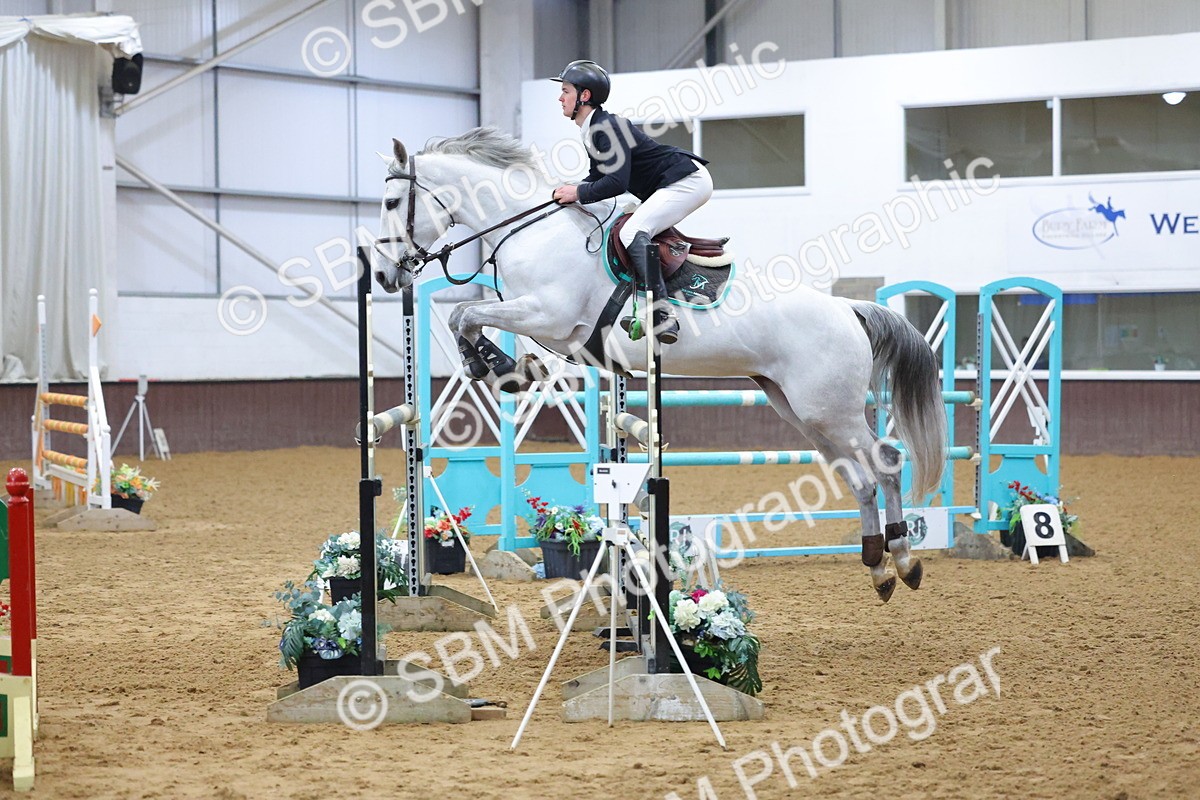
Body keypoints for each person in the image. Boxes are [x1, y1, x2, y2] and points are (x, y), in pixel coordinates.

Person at [550, 60, 714, 344]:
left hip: (686, 181)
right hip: (673, 182)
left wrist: (577, 193)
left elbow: (616, 183)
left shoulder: (606, 127)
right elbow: (597, 175)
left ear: (584, 96)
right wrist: (573, 189)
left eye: (565, 91)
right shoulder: (593, 128)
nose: (560, 98)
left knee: (631, 232)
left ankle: (663, 315)